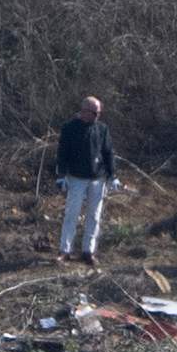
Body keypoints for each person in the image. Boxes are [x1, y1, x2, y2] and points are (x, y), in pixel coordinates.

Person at [54, 96, 115, 265]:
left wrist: (112, 175)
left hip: (97, 179)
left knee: (94, 216)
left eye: (99, 113)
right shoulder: (69, 128)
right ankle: (64, 250)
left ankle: (88, 251)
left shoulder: (102, 129)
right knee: (71, 214)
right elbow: (62, 154)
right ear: (85, 111)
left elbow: (108, 152)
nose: (97, 116)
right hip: (76, 179)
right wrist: (61, 176)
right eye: (95, 113)